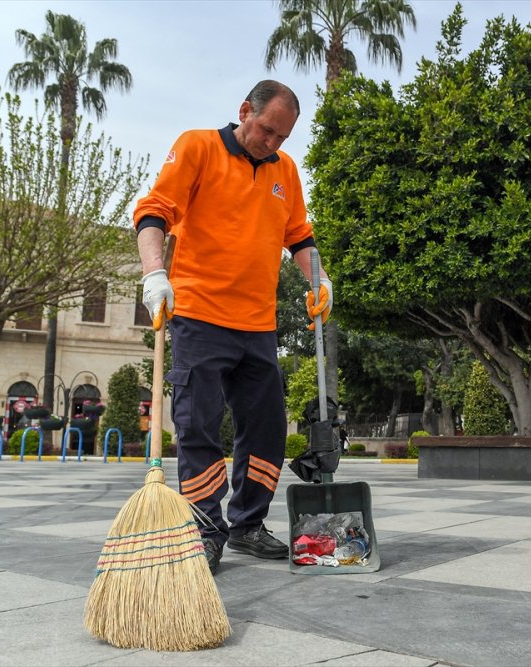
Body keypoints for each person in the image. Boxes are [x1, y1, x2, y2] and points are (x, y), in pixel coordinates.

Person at [134, 80, 332, 575]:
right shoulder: (198, 147)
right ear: (245, 110)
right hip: (199, 316)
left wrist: (319, 278)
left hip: (258, 323)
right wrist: (154, 272)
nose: (272, 143)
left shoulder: (285, 170)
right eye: (267, 130)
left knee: (265, 427)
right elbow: (153, 211)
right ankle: (205, 528)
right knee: (198, 424)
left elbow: (300, 236)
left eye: (282, 137)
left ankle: (247, 524)